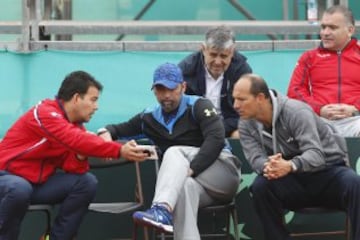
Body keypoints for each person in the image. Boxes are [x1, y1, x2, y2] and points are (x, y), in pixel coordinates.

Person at [98, 63, 241, 240]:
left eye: (171, 89)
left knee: (174, 153)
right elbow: (119, 129)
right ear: (154, 90)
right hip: (195, 186)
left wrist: (191, 169)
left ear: (183, 87)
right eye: (160, 89)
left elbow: (216, 140)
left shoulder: (200, 105)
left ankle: (161, 209)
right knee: (181, 191)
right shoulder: (149, 117)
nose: (166, 95)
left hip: (223, 174)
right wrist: (105, 132)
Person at [0, 71, 148, 240]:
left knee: (86, 183)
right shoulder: (44, 113)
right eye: (93, 100)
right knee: (19, 188)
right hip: (6, 177)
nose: (96, 106)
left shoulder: (75, 127)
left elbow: (74, 167)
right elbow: (75, 139)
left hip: (34, 185)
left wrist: (80, 156)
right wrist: (119, 150)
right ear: (77, 98)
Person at [233, 73, 360, 240]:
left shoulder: (296, 111)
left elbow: (315, 155)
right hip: (292, 181)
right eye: (234, 99)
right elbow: (256, 159)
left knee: (355, 183)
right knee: (261, 187)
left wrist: (290, 165)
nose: (236, 105)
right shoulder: (245, 123)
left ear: (260, 98)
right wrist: (269, 167)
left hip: (328, 172)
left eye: (242, 99)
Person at [287, 5, 360, 137]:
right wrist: (319, 109)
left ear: (350, 30)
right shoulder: (309, 57)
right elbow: (294, 92)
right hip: (319, 121)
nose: (325, 32)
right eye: (323, 27)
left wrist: (355, 109)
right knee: (298, 124)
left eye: (332, 27)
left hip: (356, 120)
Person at [178, 25, 252, 138]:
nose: (217, 62)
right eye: (213, 55)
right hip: (196, 128)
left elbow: (247, 112)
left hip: (229, 127)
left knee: (241, 134)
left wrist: (218, 127)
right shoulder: (186, 69)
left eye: (223, 56)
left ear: (232, 52)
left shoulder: (242, 71)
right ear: (203, 49)